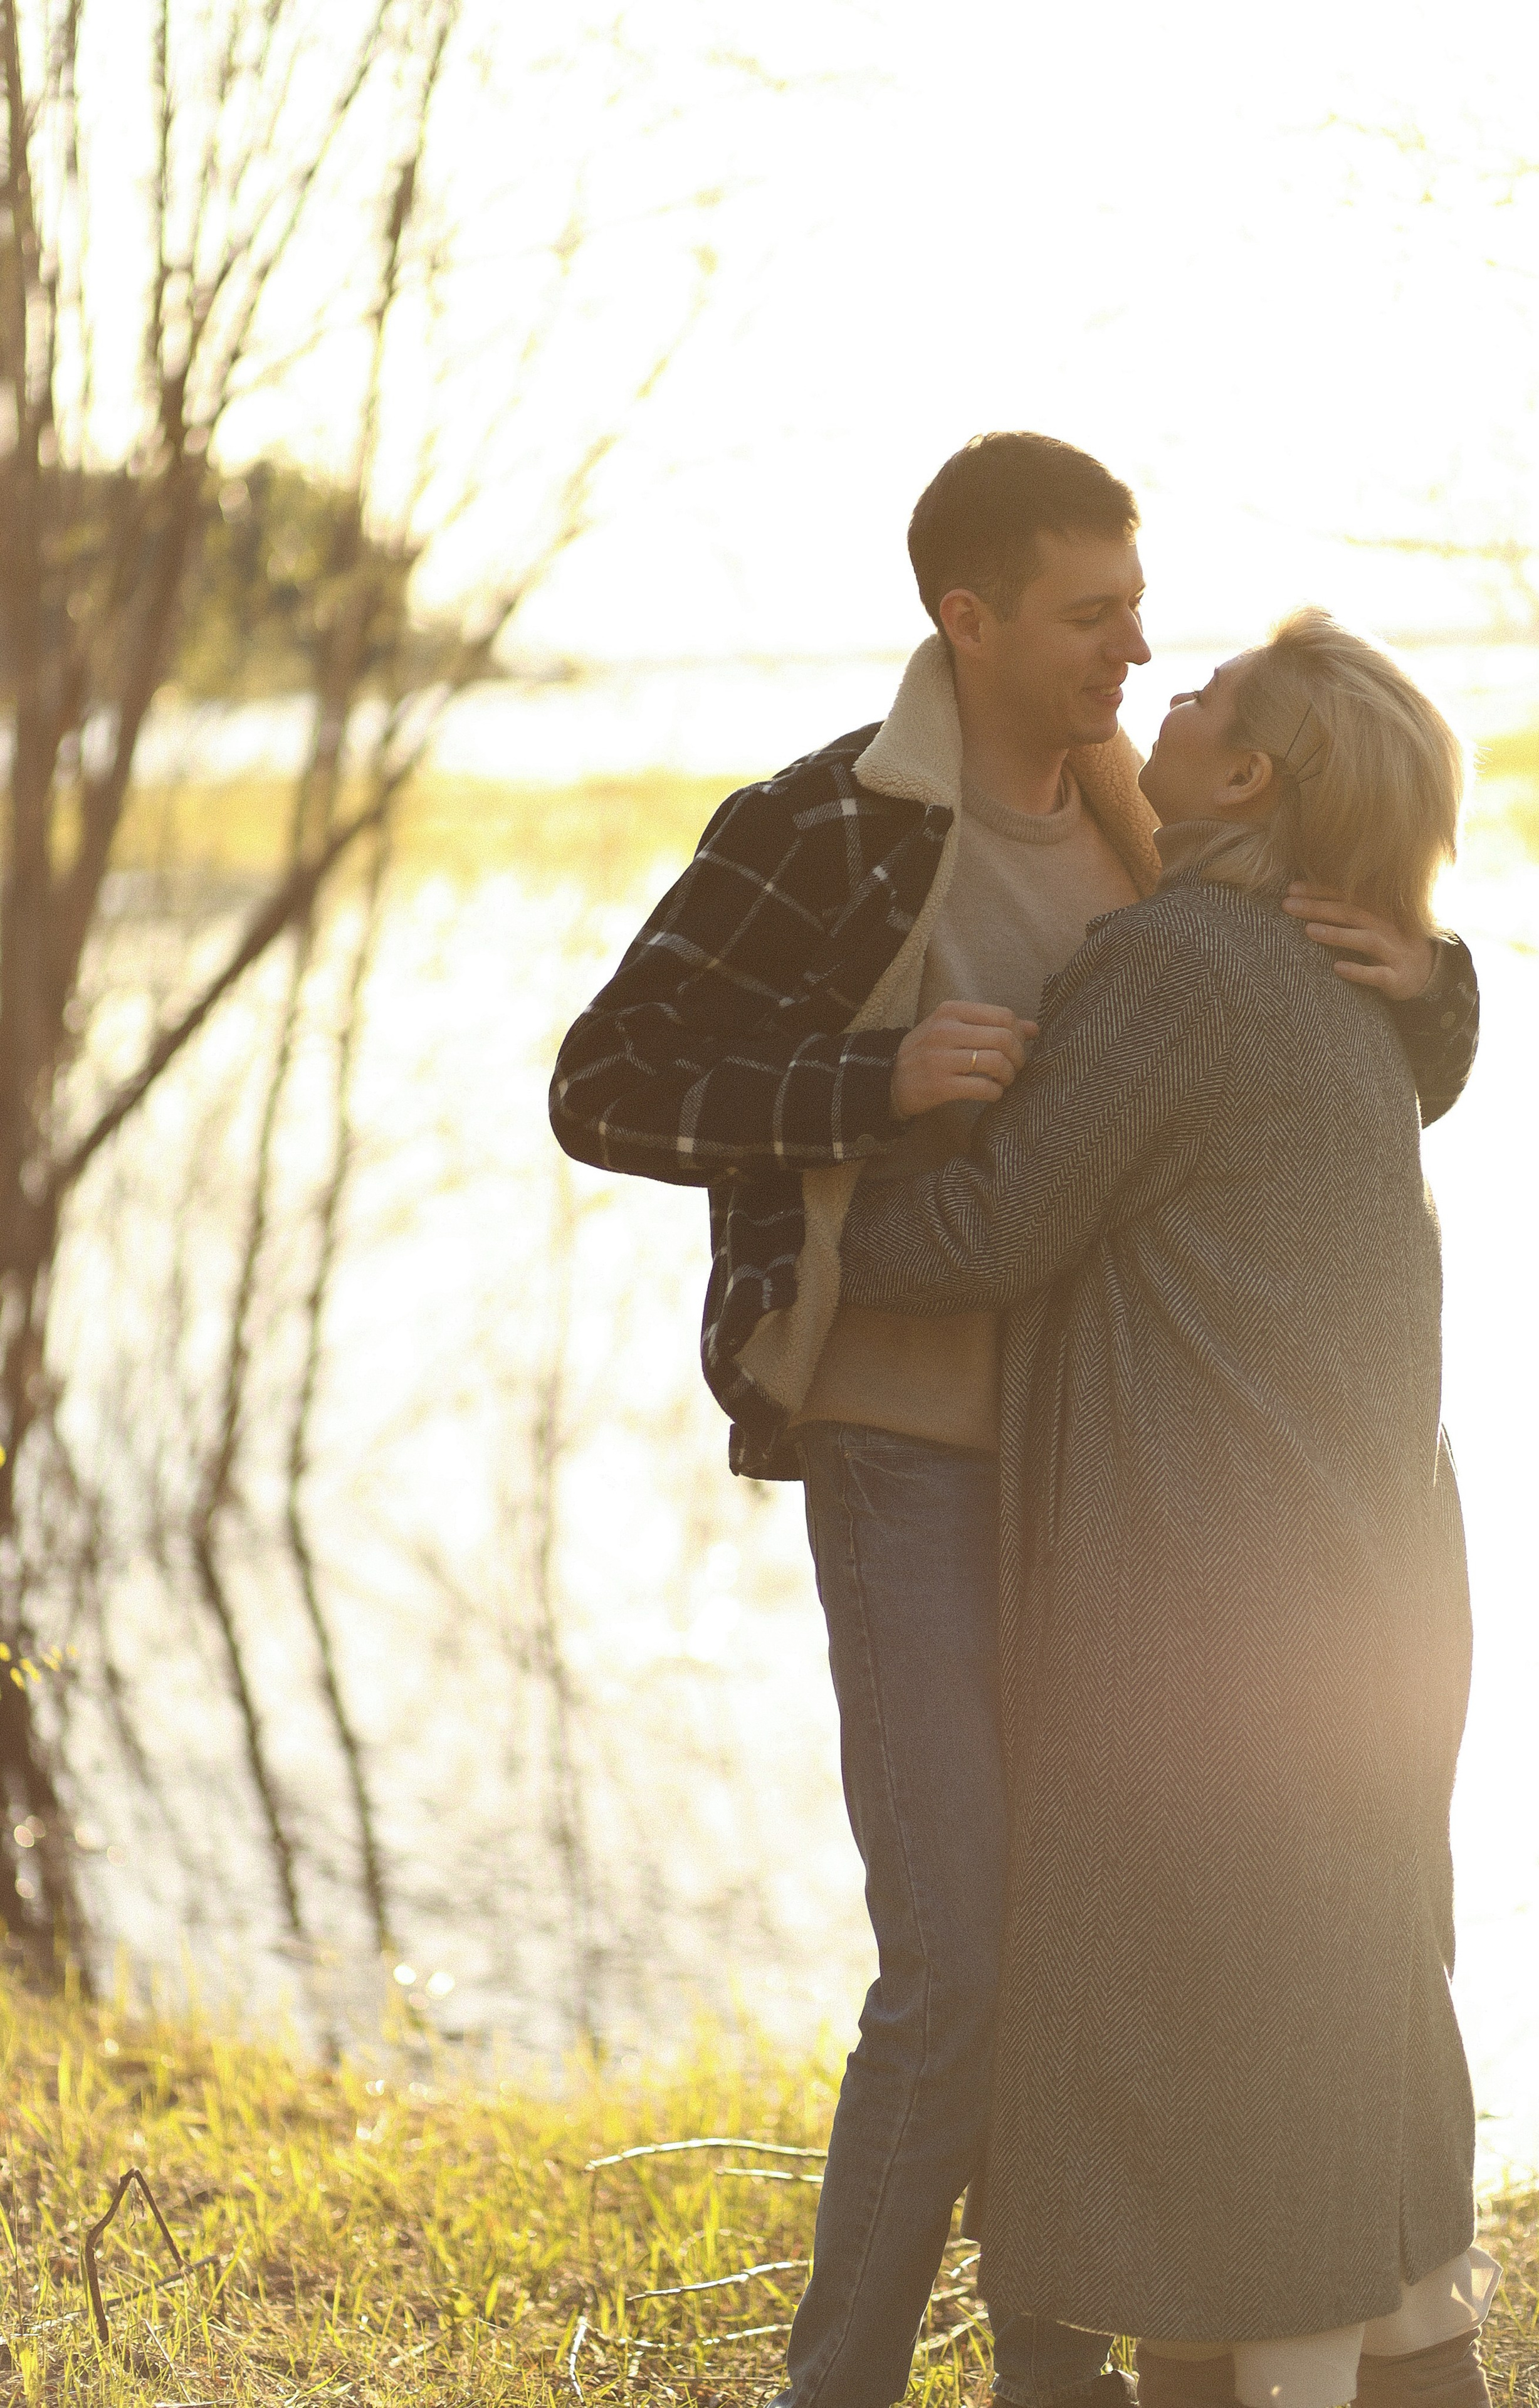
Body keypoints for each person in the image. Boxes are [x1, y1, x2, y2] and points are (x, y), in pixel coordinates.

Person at [549, 438, 1482, 2408]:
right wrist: (865, 1087)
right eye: (1093, 616)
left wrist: (1440, 983)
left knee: (1090, 1957)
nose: (1139, 650)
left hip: (1114, 1491)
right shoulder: (825, 826)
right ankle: (845, 2384)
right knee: (968, 1967)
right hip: (908, 1452)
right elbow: (605, 1086)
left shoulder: (1157, 816)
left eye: (1144, 608)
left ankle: (1061, 2366)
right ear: (968, 621)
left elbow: (1291, 1067)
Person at [836, 610, 1493, 2408]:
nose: (1169, 695)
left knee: (1216, 2057)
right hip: (1358, 1590)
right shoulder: (1334, 974)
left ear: (1251, 774)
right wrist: (1443, 972)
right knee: (1313, 2030)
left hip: (1215, 1597)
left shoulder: (1181, 968)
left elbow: (987, 1233)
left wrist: (798, 1211)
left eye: (1205, 698)